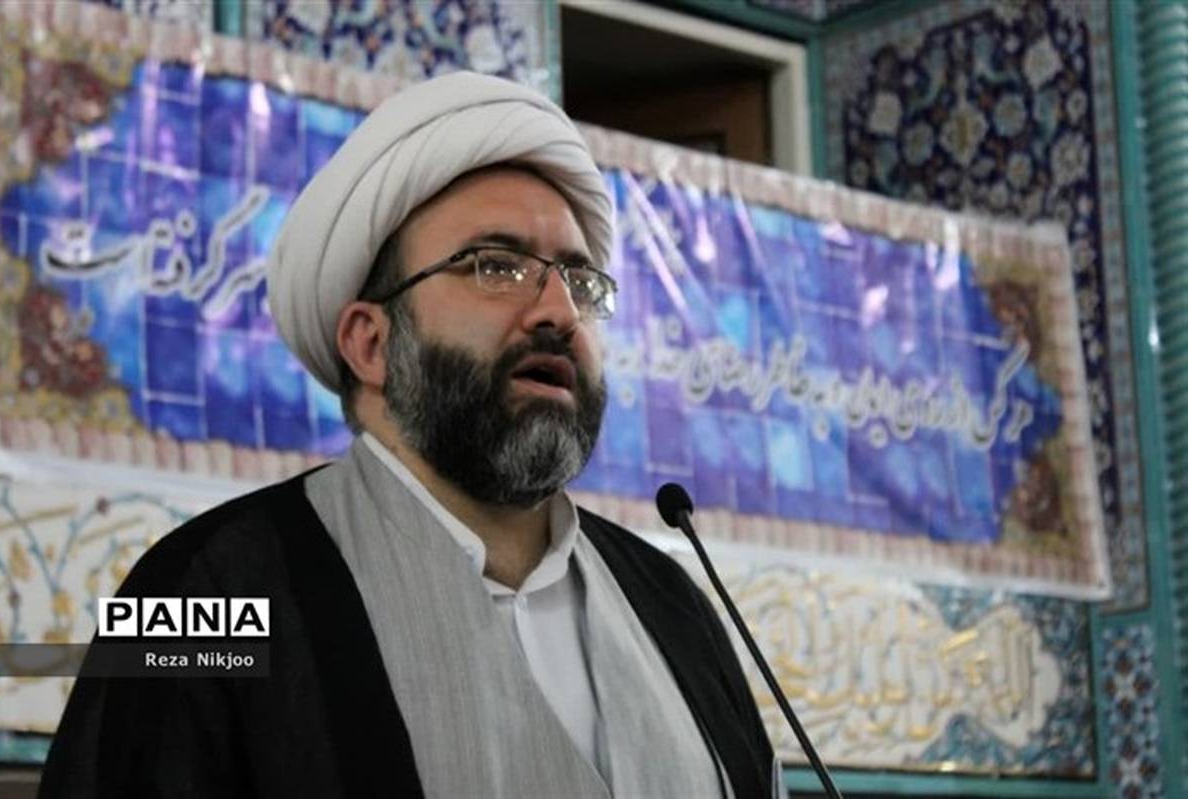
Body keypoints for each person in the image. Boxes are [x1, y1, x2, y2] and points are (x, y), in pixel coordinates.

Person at [39, 72, 773, 798]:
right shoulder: (193, 587)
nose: (559, 312)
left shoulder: (671, 602)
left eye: (580, 282)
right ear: (371, 343)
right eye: (495, 266)